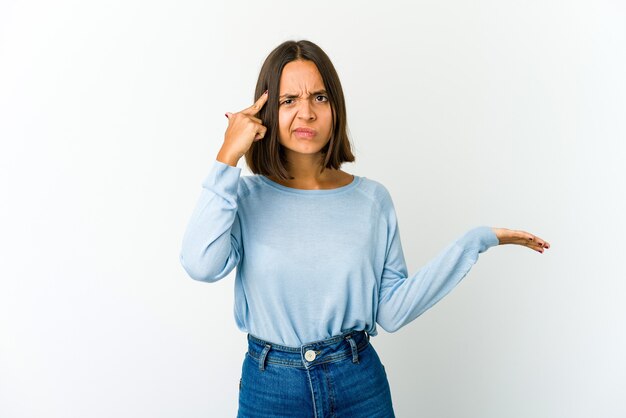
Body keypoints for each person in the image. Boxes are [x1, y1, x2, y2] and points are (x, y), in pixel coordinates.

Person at [179, 39, 550, 418]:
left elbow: (391, 311)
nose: (305, 113)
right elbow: (201, 264)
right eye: (288, 100)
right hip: (271, 388)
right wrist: (228, 156)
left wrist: (476, 241)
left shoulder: (372, 200)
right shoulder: (242, 197)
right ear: (266, 112)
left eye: (319, 98)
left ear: (336, 109)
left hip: (358, 384)